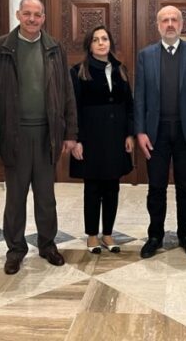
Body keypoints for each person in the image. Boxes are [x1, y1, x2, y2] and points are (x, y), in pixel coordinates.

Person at [0, 0, 77, 275]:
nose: (32, 19)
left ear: (44, 18)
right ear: (18, 15)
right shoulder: (0, 48)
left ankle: (47, 245)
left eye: (37, 14)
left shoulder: (54, 48)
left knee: (46, 197)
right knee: (15, 198)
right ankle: (15, 250)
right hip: (14, 134)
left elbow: (67, 91)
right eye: (27, 13)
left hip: (47, 134)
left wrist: (70, 133)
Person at [134, 5, 186, 259]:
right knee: (156, 187)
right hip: (155, 133)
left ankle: (185, 235)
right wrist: (140, 131)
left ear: (181, 24)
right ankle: (155, 235)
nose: (169, 24)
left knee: (185, 187)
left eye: (174, 20)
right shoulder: (145, 55)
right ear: (158, 26)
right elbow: (139, 96)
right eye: (164, 20)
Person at [69, 25, 134, 253]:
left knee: (112, 187)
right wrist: (76, 139)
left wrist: (129, 133)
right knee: (93, 188)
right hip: (91, 139)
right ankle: (92, 235)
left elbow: (128, 105)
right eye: (95, 39)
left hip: (116, 137)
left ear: (110, 43)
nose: (100, 43)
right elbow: (73, 108)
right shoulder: (79, 71)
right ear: (89, 45)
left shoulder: (120, 69)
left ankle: (107, 234)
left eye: (104, 39)